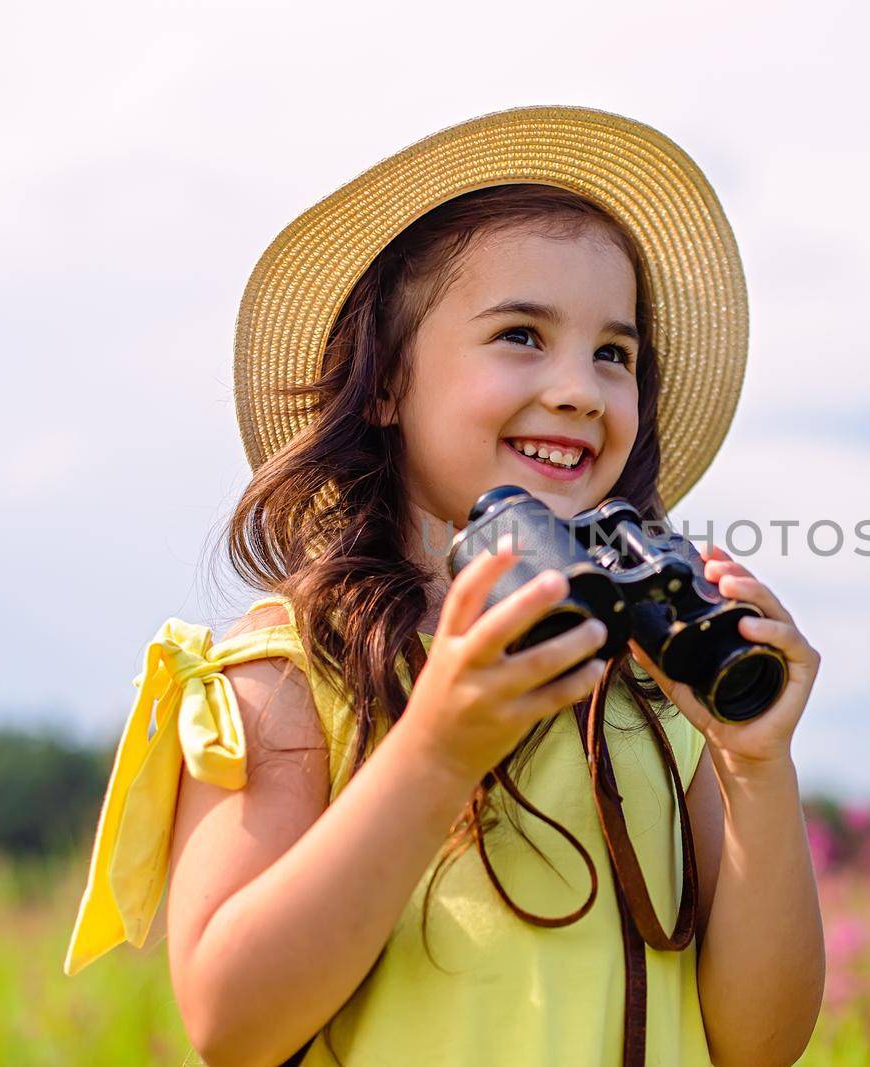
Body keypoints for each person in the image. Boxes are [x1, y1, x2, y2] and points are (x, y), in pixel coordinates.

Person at [63, 105, 825, 1067]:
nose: (582, 389)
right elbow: (231, 1022)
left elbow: (760, 1043)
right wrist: (435, 749)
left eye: (614, 353)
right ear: (383, 384)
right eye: (520, 335)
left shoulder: (654, 688)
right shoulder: (293, 675)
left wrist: (757, 769)